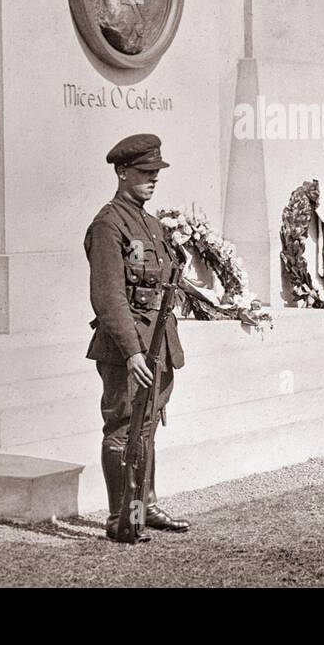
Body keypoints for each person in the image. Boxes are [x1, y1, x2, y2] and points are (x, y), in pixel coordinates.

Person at [84, 133, 190, 540]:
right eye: (145, 172)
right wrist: (131, 352)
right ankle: (119, 518)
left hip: (157, 346)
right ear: (122, 172)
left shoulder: (151, 224)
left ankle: (145, 505)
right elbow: (108, 297)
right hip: (127, 349)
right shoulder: (109, 223)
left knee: (146, 426)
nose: (152, 179)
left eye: (156, 173)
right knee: (124, 426)